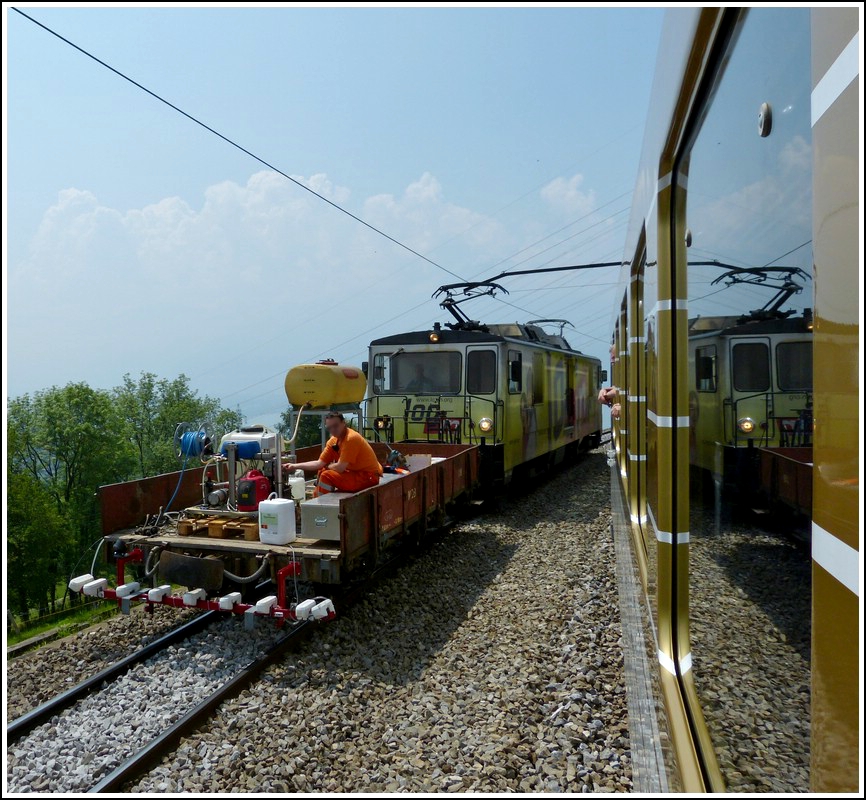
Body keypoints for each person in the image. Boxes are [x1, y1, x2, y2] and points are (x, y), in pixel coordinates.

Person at [290, 412, 383, 496]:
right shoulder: (334, 441)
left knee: (326, 475)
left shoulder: (351, 439)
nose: (333, 430)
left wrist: (328, 466)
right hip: (356, 473)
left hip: (369, 476)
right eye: (329, 428)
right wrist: (293, 466)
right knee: (322, 470)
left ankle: (322, 507)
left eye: (336, 426)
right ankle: (316, 500)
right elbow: (319, 463)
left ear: (343, 423)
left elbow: (340, 467)